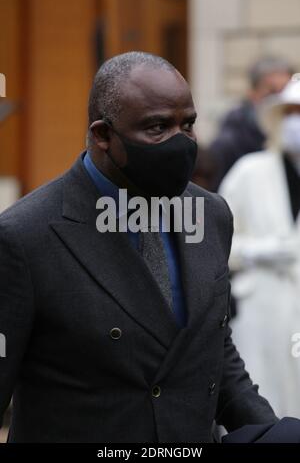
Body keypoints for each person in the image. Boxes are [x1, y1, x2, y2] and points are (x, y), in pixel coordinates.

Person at [0, 52, 278, 443]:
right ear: (102, 135)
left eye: (189, 124)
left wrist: (268, 432)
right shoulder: (24, 237)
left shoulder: (211, 216)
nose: (180, 141)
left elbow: (209, 348)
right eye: (158, 127)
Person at [219, 75, 300, 418]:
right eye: (292, 112)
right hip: (258, 311)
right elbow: (214, 242)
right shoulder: (249, 172)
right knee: (260, 409)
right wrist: (255, 251)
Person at [210, 56, 293, 190]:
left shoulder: (292, 140)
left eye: (286, 92)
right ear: (252, 94)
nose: (280, 102)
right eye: (272, 93)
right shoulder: (229, 142)